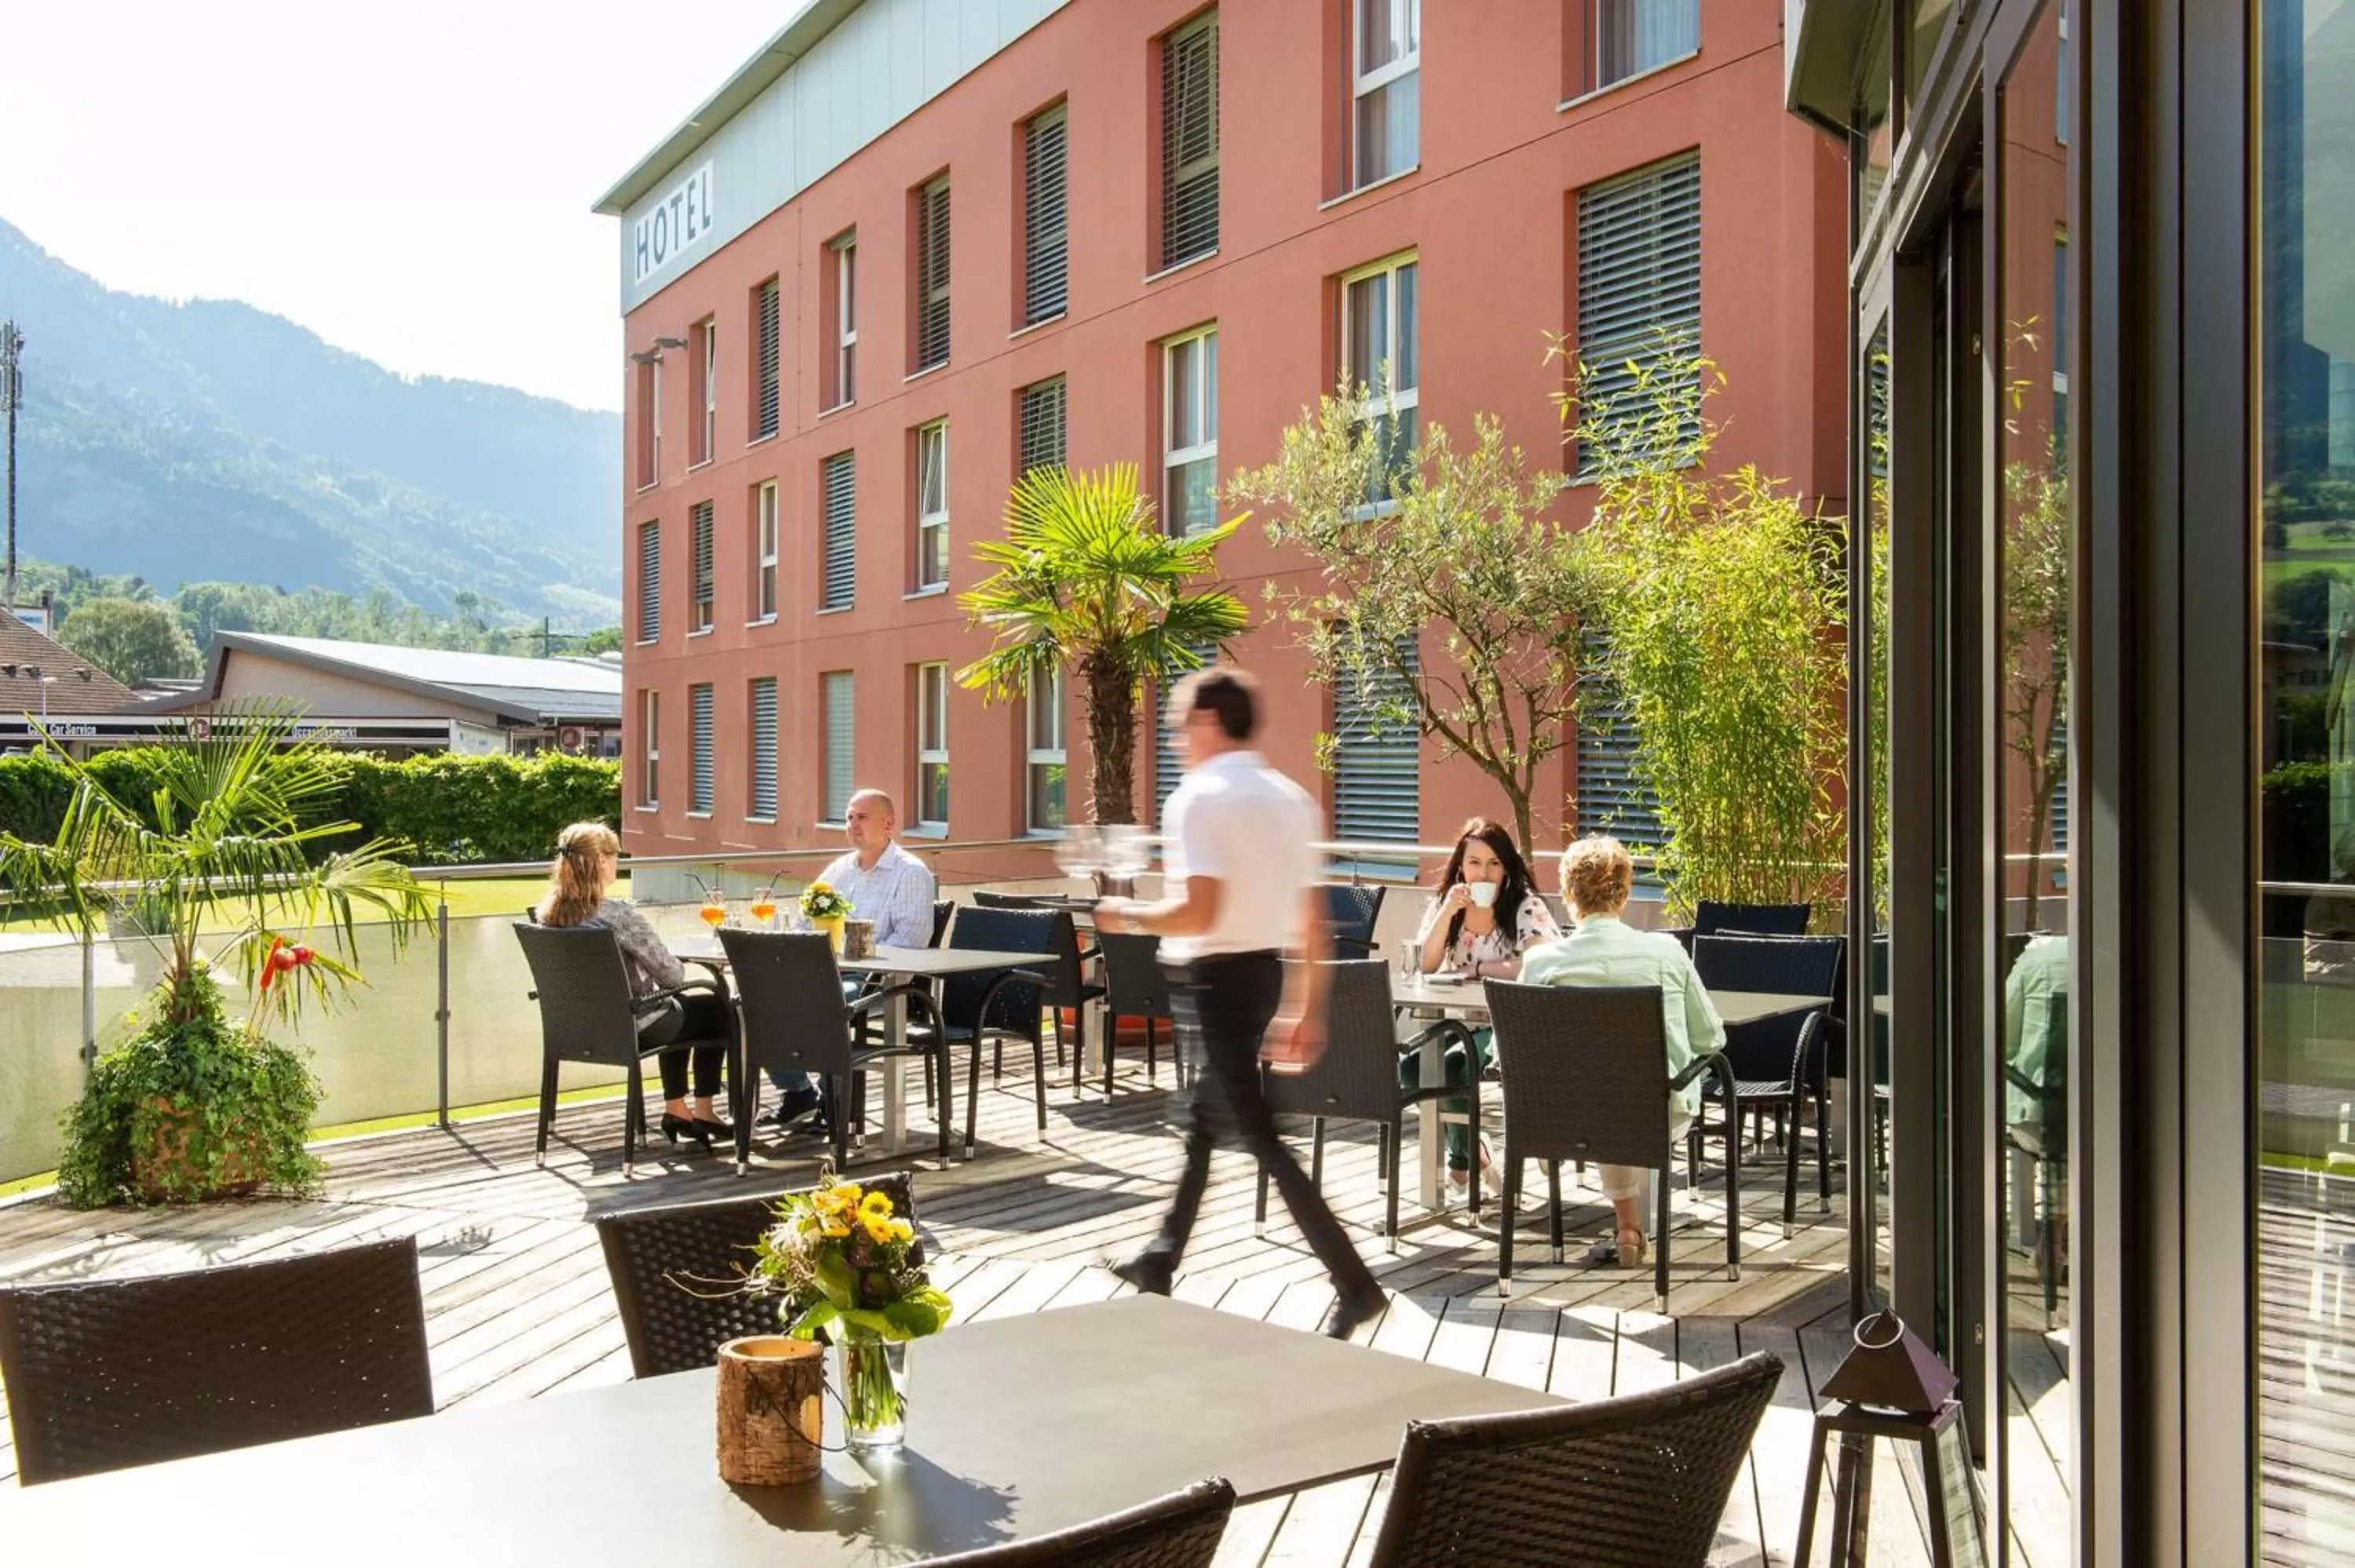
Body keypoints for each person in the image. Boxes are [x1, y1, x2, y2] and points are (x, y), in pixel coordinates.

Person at [1097, 667, 1389, 1340]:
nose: (1174, 739)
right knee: (1203, 1126)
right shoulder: (1289, 797)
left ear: (1206, 722)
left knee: (1262, 1138)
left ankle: (1356, 1285)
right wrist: (1305, 1008)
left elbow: (1201, 909)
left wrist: (1127, 915)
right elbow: (1314, 921)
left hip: (1216, 980)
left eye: (1176, 725)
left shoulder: (1198, 798)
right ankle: (1160, 1259)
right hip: (1261, 976)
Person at [1518, 834, 1725, 1267]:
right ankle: (1629, 1229)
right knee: (1620, 1094)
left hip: (1567, 1114)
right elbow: (1710, 1039)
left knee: (1597, 1092)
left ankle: (1627, 1224)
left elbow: (1517, 1051)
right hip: (1655, 1109)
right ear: (1626, 893)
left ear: (1568, 894)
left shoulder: (1541, 964)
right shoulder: (1666, 952)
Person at [534, 822, 732, 1147]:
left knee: (680, 1009)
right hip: (631, 1025)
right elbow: (673, 977)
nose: (617, 863)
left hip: (574, 1028)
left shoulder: (547, 915)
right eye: (614, 856)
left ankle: (678, 1109)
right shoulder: (617, 915)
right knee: (717, 1008)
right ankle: (703, 1110)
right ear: (600, 861)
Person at [1400, 817, 1561, 1190]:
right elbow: (1424, 964)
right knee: (1413, 1071)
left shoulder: (1524, 906)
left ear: (1507, 868)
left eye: (1494, 864)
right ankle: (1478, 1156)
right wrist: (1446, 913)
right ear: (1461, 867)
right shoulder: (1447, 905)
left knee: (1454, 1068)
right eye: (1474, 863)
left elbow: (1542, 963)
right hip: (1457, 1023)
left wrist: (1482, 968)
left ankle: (1462, 1161)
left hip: (1512, 1026)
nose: (1484, 874)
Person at [763, 788, 939, 1130]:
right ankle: (797, 1091)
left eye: (863, 817)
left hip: (881, 982)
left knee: (824, 999)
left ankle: (837, 1104)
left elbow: (911, 942)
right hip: (827, 972)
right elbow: (805, 919)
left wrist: (853, 956)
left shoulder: (911, 874)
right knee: (757, 998)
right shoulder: (841, 869)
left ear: (888, 824)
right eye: (849, 817)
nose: (853, 825)